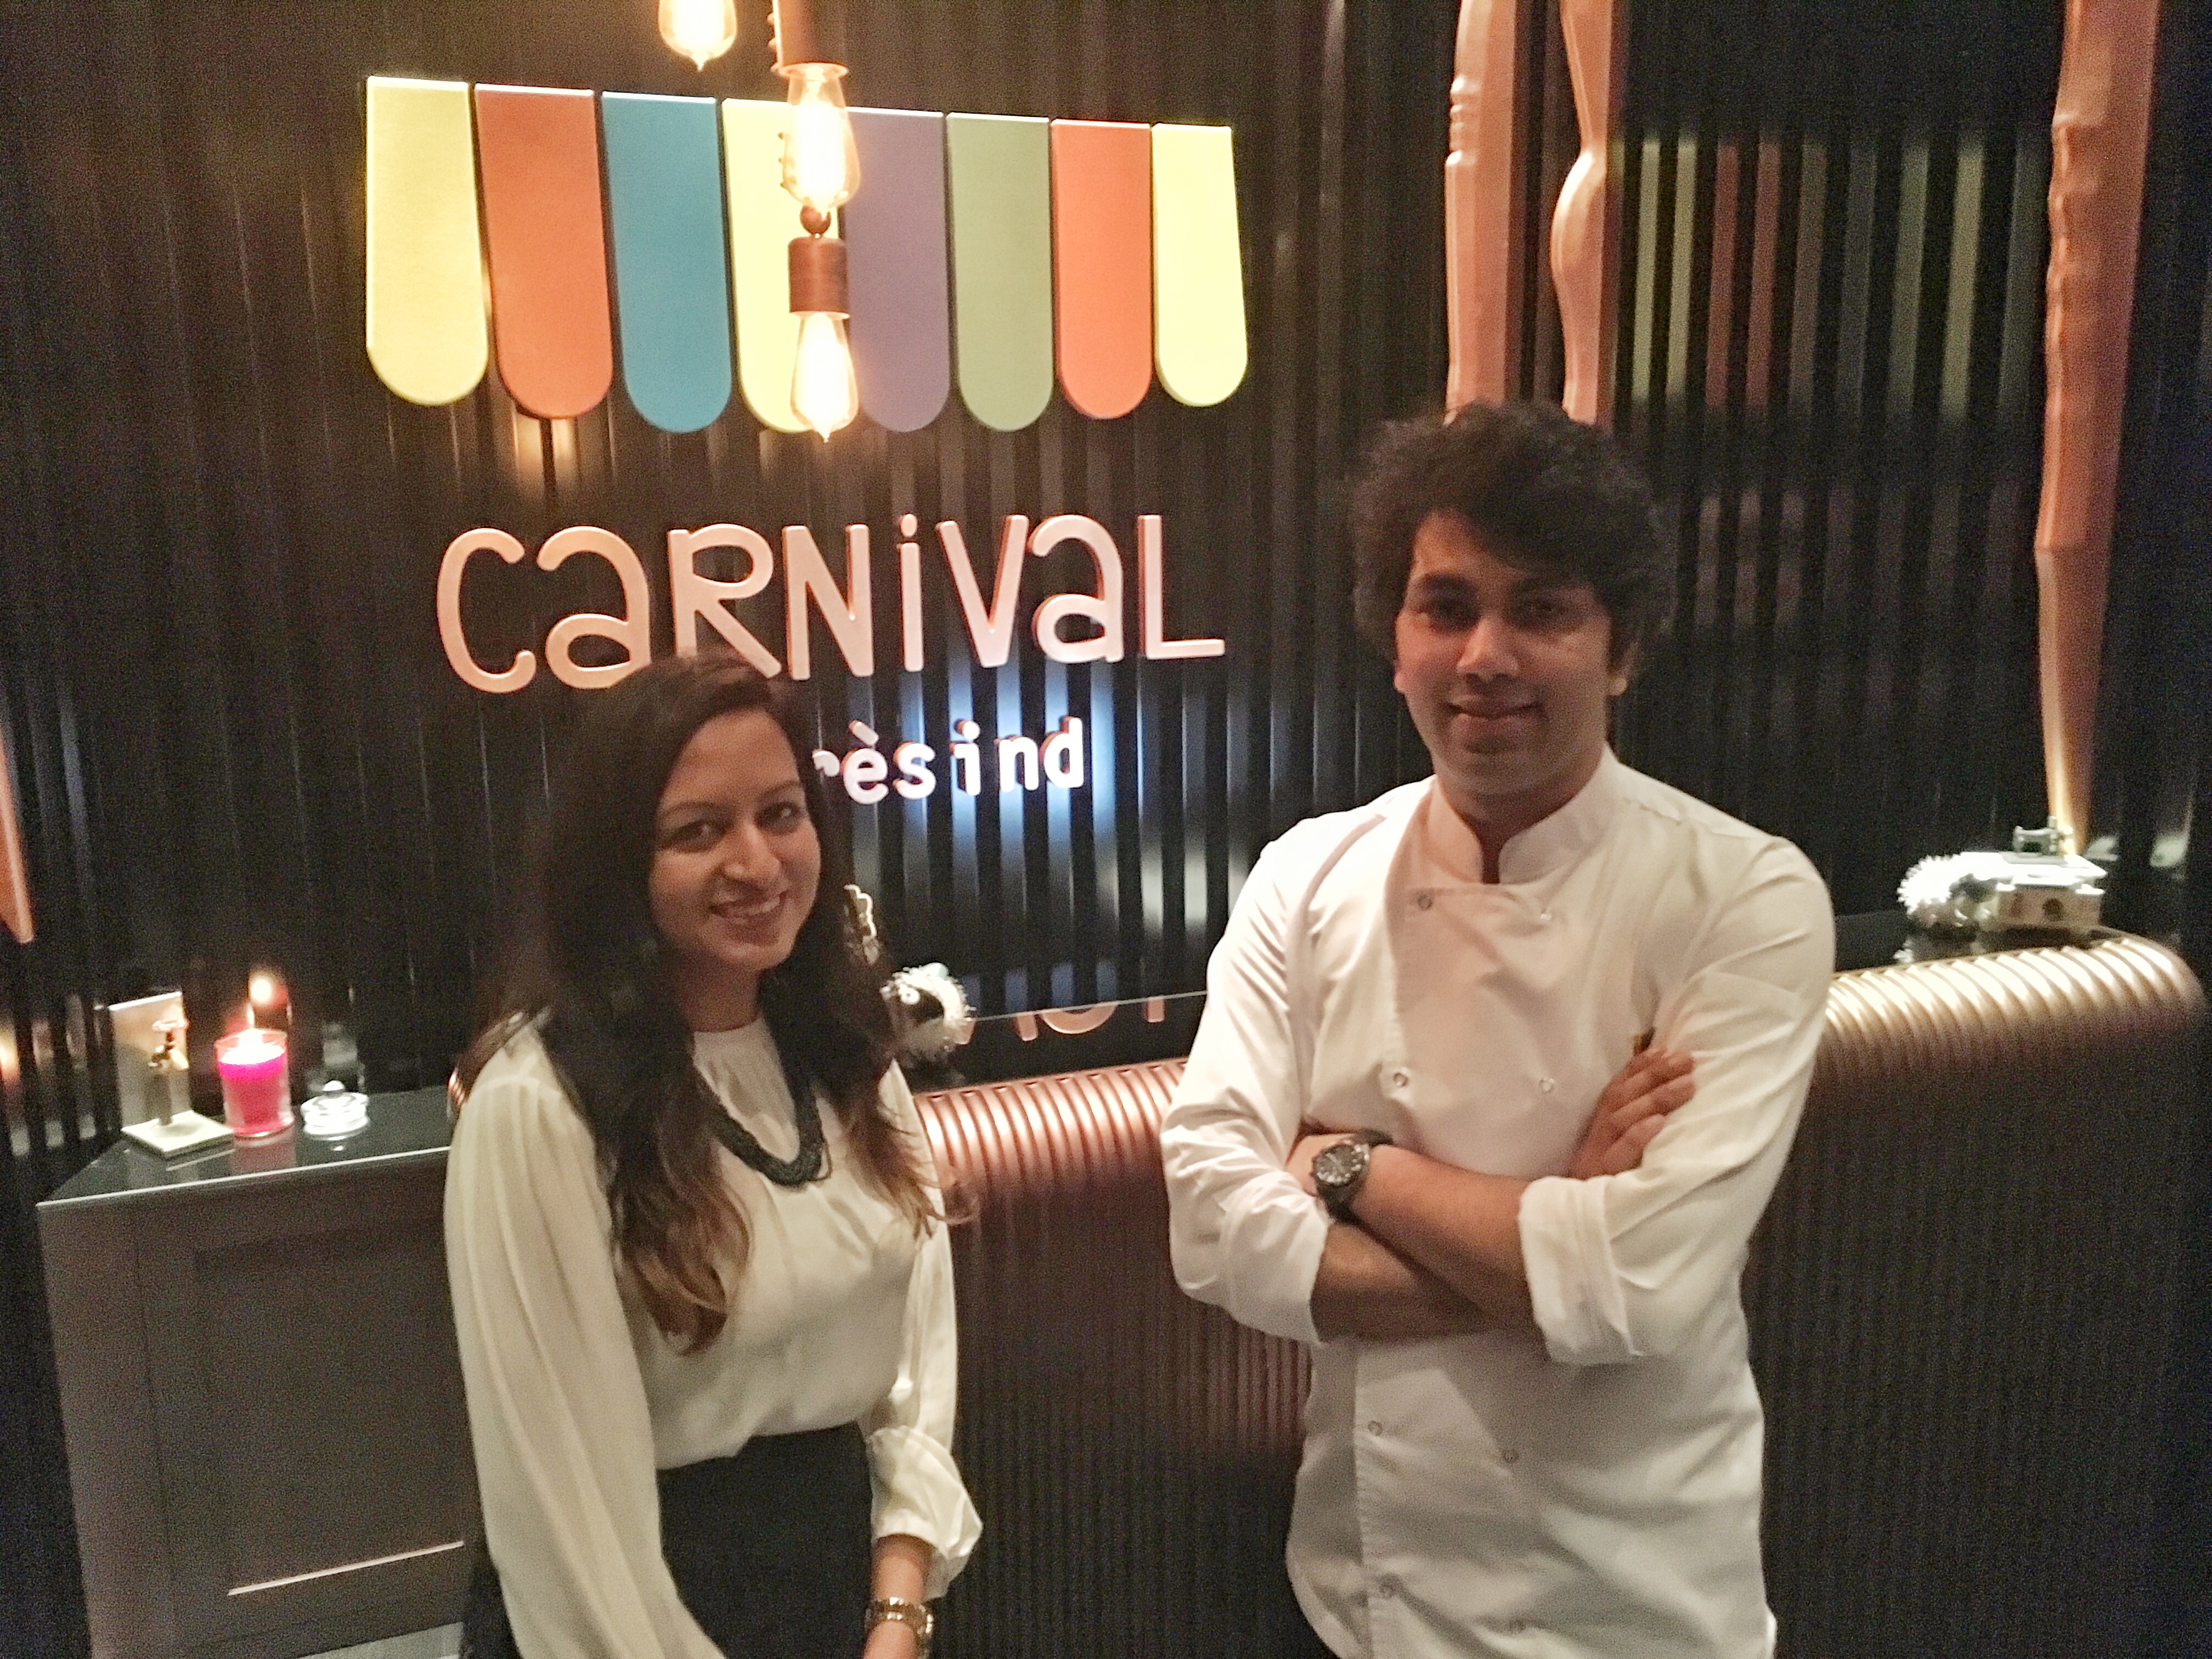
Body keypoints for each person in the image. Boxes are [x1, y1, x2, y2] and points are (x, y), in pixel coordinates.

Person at [1160, 400, 1832, 1659]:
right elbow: (1208, 1221)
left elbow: (1644, 1286)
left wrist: (1349, 1167)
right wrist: (1556, 1232)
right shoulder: (1307, 876)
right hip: (1358, 1606)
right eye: (1447, 606)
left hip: (1628, 1611)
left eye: (1543, 609)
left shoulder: (1742, 897)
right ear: (1396, 639)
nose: (1486, 655)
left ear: (1622, 648)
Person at [444, 652, 979, 1659]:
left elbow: (915, 1364)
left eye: (781, 814)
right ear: (620, 866)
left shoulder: (846, 1056)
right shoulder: (536, 1109)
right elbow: (570, 1545)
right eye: (698, 831)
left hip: (840, 1595)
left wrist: (897, 1616)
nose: (757, 863)